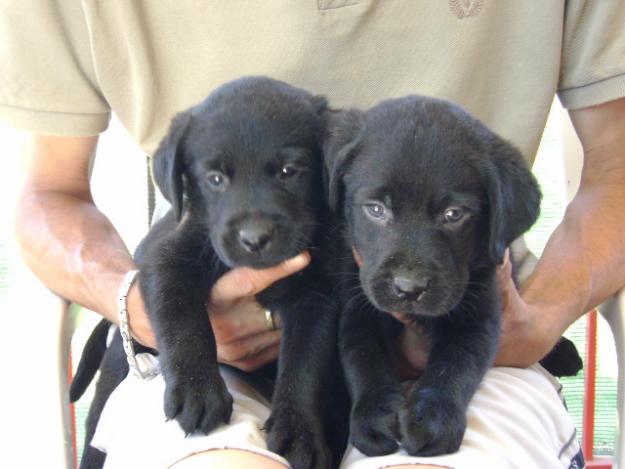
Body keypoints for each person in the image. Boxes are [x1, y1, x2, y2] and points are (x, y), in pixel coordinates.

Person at [2, 1, 624, 468]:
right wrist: (137, 309)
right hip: (197, 331)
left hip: (469, 311)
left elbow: (618, 168)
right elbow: (48, 192)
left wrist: (540, 317)